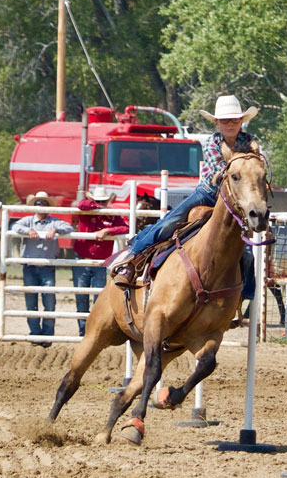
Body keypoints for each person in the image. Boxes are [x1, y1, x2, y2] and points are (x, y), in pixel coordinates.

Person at [113, 94, 259, 291]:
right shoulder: (213, 143)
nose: (230, 124)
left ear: (241, 121)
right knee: (169, 222)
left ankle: (245, 293)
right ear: (217, 122)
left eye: (234, 120)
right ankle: (132, 259)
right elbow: (221, 174)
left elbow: (256, 167)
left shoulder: (250, 141)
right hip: (208, 194)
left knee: (246, 250)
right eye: (225, 120)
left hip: (236, 202)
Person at [12, 191, 73, 347]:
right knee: (31, 303)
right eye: (39, 203)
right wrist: (28, 231)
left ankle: (46, 336)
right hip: (30, 266)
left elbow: (68, 227)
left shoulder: (54, 222)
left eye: (44, 203)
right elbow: (15, 226)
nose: (41, 206)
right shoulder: (27, 221)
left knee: (49, 302)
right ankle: (35, 334)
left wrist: (56, 230)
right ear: (35, 205)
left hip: (47, 266)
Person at [73, 187, 128, 336]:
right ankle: (83, 331)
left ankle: (94, 331)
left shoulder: (111, 216)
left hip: (100, 262)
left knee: (98, 298)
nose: (101, 204)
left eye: (103, 201)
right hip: (83, 259)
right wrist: (98, 207)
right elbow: (81, 205)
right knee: (81, 297)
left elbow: (124, 228)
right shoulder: (87, 211)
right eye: (98, 201)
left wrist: (108, 231)